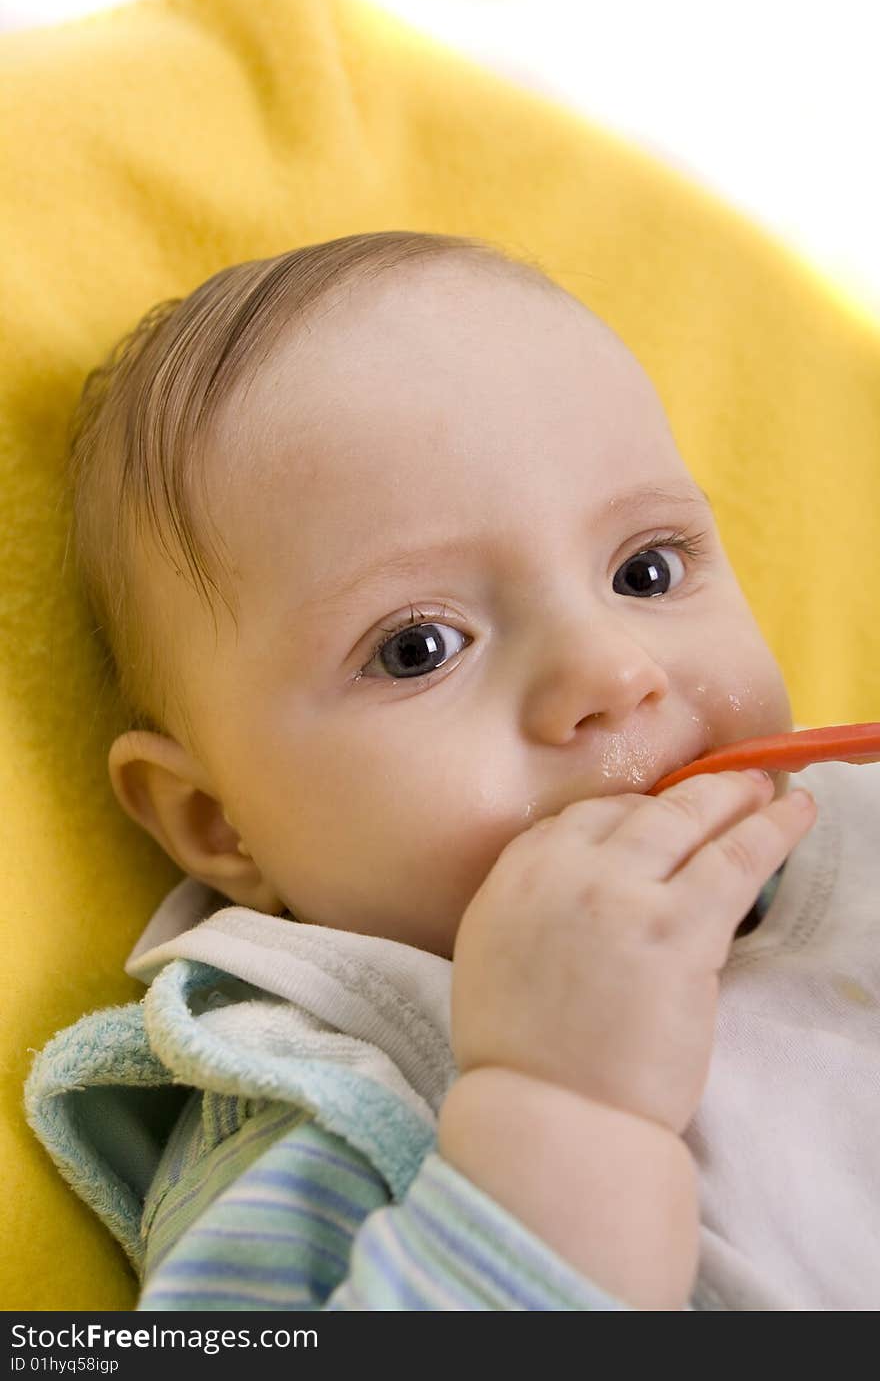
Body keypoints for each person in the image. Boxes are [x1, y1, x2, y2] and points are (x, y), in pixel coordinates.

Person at [25, 231, 879, 1311]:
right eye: (417, 646)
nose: (614, 673)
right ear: (218, 824)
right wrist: (560, 1107)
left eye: (645, 570)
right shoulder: (323, 1104)